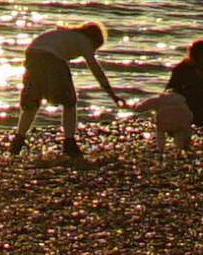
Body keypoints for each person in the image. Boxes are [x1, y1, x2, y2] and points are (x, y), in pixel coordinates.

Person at [9, 21, 125, 158]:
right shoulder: (83, 40)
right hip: (51, 58)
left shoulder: (65, 34)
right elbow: (95, 68)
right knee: (69, 102)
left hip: (32, 55)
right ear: (94, 39)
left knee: (32, 102)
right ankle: (69, 142)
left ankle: (18, 140)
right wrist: (112, 94)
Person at [133, 90, 193, 156]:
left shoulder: (159, 100)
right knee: (179, 134)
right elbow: (189, 115)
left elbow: (143, 106)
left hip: (164, 122)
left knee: (160, 132)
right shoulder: (182, 102)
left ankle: (160, 148)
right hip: (179, 124)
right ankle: (179, 150)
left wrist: (136, 107)